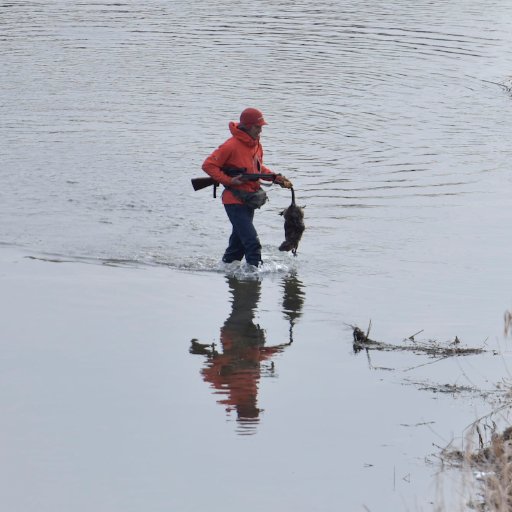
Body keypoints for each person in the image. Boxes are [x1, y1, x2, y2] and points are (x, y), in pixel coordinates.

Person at [202, 108, 293, 267]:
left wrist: (275, 177)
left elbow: (257, 169)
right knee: (252, 243)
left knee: (237, 248)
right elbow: (208, 165)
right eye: (258, 127)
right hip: (234, 201)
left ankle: (227, 270)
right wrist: (229, 180)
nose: (261, 130)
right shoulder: (230, 146)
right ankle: (255, 282)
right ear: (248, 126)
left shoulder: (256, 144)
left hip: (249, 200)